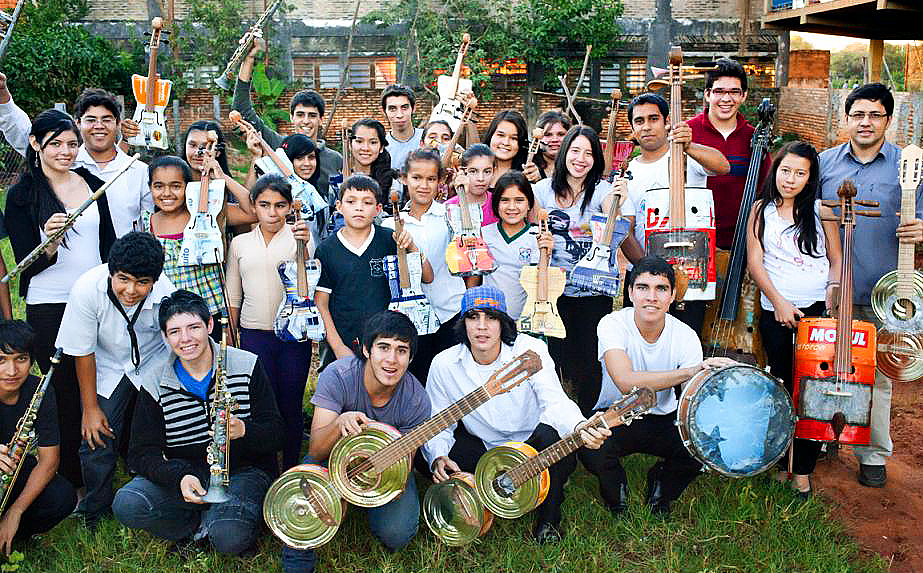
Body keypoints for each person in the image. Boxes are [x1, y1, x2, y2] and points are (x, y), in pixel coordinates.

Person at [424, 286, 608, 543]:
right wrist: (438, 456)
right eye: (473, 317)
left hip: (534, 443)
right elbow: (438, 422)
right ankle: (483, 497)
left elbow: (554, 401)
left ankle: (549, 518)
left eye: (491, 317)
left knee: (555, 437)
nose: (481, 326)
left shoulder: (529, 350)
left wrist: (579, 426)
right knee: (433, 455)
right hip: (486, 446)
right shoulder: (445, 364)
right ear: (463, 323)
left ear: (503, 323)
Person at [111, 290, 282, 555]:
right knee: (128, 503)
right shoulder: (154, 380)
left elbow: (277, 433)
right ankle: (193, 528)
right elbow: (141, 453)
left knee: (229, 538)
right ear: (165, 337)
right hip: (189, 474)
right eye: (175, 331)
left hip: (244, 472)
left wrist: (244, 430)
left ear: (209, 325)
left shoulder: (246, 364)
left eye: (194, 327)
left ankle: (220, 525)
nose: (186, 339)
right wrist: (178, 476)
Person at [5, 109, 119, 489]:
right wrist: (50, 244)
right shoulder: (21, 195)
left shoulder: (92, 183)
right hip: (49, 304)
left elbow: (108, 245)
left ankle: (105, 458)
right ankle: (73, 475)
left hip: (96, 298)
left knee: (101, 381)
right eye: (55, 144)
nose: (66, 151)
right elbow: (24, 264)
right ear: (35, 144)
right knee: (65, 389)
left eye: (72, 144)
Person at [818, 83, 923, 488]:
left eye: (875, 115)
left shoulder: (907, 167)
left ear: (888, 120)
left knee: (877, 376)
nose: (866, 122)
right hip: (833, 288)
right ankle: (824, 435)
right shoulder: (825, 163)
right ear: (846, 119)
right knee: (825, 365)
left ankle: (873, 453)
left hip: (885, 292)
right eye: (858, 114)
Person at [582, 256, 732, 517]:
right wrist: (690, 371)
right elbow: (625, 381)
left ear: (672, 296)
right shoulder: (612, 323)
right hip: (617, 413)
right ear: (630, 293)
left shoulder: (685, 335)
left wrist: (720, 380)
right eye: (643, 287)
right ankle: (616, 491)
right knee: (590, 447)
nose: (651, 297)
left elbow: (694, 397)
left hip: (664, 416)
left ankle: (662, 484)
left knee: (703, 446)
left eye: (661, 289)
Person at [282, 311, 430, 573]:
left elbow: (405, 466)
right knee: (303, 499)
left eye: (401, 350)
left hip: (385, 469)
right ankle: (298, 558)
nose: (392, 359)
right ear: (366, 350)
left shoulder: (417, 399)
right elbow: (316, 449)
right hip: (332, 458)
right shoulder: (338, 375)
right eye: (383, 347)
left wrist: (378, 483)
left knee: (397, 534)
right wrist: (339, 424)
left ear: (410, 358)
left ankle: (362, 505)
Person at [54, 232, 176, 526]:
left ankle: (161, 491)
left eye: (142, 282)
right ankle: (95, 507)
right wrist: (91, 409)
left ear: (155, 280)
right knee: (97, 433)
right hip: (107, 363)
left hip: (154, 359)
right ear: (111, 271)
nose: (131, 290)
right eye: (123, 279)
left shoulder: (166, 293)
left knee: (168, 426)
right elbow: (83, 352)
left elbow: (176, 342)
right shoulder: (86, 289)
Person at [747, 141, 841, 498]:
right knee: (782, 387)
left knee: (811, 393)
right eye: (785, 171)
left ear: (810, 178)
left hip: (816, 313)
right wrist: (778, 302)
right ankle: (778, 459)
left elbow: (836, 259)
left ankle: (802, 471)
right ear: (776, 171)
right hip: (777, 312)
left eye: (800, 173)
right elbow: (755, 262)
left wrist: (832, 292)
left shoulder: (822, 211)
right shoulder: (761, 210)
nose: (790, 179)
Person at [226, 174, 315, 470]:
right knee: (262, 404)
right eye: (264, 205)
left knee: (290, 402)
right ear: (254, 206)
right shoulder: (240, 244)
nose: (272, 213)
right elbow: (234, 294)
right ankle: (264, 469)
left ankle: (289, 467)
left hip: (293, 337)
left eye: (279, 205)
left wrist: (304, 245)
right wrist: (232, 334)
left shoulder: (299, 237)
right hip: (254, 335)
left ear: (289, 207)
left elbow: (308, 281)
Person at [622, 93, 730, 333]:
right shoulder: (628, 172)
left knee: (687, 341)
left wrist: (688, 145)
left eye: (653, 119)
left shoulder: (686, 156)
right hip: (645, 278)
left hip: (690, 273)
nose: (647, 126)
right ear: (632, 128)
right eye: (639, 121)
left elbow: (723, 166)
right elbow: (626, 232)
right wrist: (650, 272)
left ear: (667, 122)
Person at [531, 126, 617, 416]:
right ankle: (556, 420)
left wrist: (617, 200)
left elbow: (615, 227)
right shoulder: (542, 190)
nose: (581, 159)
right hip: (553, 291)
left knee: (590, 359)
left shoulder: (604, 191)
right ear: (564, 152)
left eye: (589, 153)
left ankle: (590, 421)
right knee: (554, 359)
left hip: (593, 292)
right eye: (575, 150)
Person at [0, 85, 151, 237]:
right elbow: (25, 134)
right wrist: (4, 98)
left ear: (118, 124)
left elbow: (156, 218)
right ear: (77, 123)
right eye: (91, 120)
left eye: (106, 119)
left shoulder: (139, 171)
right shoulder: (63, 162)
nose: (99, 126)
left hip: (126, 252)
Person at [314, 174, 431, 366]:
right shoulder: (326, 249)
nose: (359, 207)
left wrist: (411, 246)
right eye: (351, 201)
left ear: (378, 209)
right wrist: (338, 347)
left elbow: (427, 277)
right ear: (339, 206)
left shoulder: (389, 239)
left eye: (367, 202)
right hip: (346, 343)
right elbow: (321, 303)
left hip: (388, 344)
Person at [136, 155, 248, 339]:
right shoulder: (148, 222)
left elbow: (251, 211)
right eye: (158, 186)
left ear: (188, 187)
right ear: (150, 188)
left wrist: (222, 177)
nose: (166, 193)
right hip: (171, 316)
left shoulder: (206, 214)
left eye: (175, 186)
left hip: (211, 311)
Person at [383, 149, 471, 383]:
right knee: (417, 380)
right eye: (417, 178)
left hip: (450, 312)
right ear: (404, 178)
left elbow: (471, 245)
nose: (424, 185)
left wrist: (465, 193)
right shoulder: (390, 225)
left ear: (440, 181)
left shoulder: (450, 216)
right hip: (411, 318)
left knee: (452, 381)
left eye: (431, 179)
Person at [0, 320, 76, 556]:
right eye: (1, 360)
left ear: (32, 361)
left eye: (21, 359)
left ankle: (11, 533)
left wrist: (16, 511)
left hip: (13, 469)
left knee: (62, 496)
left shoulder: (41, 390)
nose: (11, 371)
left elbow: (49, 461)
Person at [231, 37, 342, 198]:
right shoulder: (277, 146)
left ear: (321, 119)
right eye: (300, 114)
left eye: (312, 115)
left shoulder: (335, 159)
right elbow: (242, 110)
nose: (306, 121)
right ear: (291, 117)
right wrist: (248, 59)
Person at [688, 58, 772, 251]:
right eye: (719, 91)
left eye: (734, 92)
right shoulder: (688, 132)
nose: (726, 99)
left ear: (744, 96)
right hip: (695, 237)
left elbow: (764, 190)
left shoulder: (755, 138)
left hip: (742, 240)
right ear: (708, 94)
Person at [481, 170, 552, 321]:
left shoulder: (539, 236)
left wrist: (546, 253)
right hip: (489, 319)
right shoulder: (484, 234)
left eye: (519, 200)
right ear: (496, 203)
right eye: (505, 200)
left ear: (529, 204)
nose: (512, 207)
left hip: (524, 320)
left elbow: (542, 280)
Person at [179, 121, 256, 227]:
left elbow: (253, 211)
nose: (198, 152)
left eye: (207, 146)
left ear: (218, 151)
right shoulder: (175, 181)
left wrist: (222, 176)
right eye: (192, 145)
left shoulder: (221, 190)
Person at [347, 118, 399, 207]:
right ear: (350, 144)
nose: (365, 148)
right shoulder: (340, 179)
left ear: (381, 147)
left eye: (373, 142)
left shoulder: (392, 185)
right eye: (359, 141)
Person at [445, 144, 499, 226]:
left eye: (487, 172)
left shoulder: (499, 204)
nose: (481, 178)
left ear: (494, 171)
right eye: (473, 171)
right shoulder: (448, 208)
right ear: (462, 171)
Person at [381, 85, 424, 171]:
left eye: (404, 108)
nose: (399, 115)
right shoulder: (380, 146)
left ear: (413, 108)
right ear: (384, 111)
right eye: (392, 109)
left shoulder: (428, 138)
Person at [482, 110, 528, 187]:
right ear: (491, 135)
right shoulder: (473, 170)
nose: (506, 143)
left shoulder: (527, 175)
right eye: (501, 135)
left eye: (513, 138)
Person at [523, 110, 571, 183]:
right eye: (548, 135)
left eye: (561, 134)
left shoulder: (577, 166)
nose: (554, 140)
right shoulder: (527, 165)